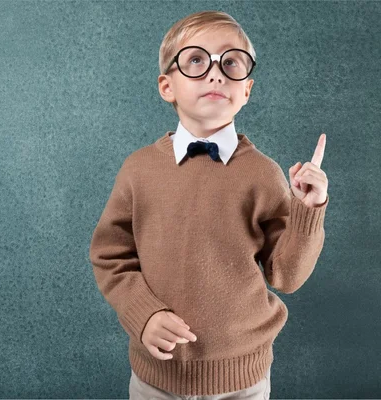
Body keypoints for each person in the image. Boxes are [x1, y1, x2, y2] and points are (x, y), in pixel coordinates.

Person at [88, 10, 329, 400]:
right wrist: (143, 313)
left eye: (231, 62)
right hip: (155, 378)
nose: (216, 72)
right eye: (197, 60)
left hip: (243, 379)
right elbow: (110, 255)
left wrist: (307, 210)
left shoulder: (263, 175)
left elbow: (287, 276)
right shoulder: (139, 169)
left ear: (246, 89)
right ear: (167, 85)